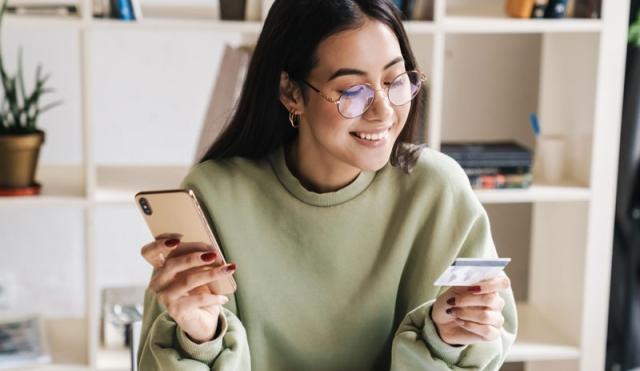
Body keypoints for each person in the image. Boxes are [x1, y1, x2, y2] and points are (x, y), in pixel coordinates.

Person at [136, 0, 517, 370]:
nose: (383, 111)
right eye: (353, 91)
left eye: (395, 80)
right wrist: (201, 338)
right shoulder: (215, 196)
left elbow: (483, 348)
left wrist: (447, 337)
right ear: (291, 92)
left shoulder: (437, 191)